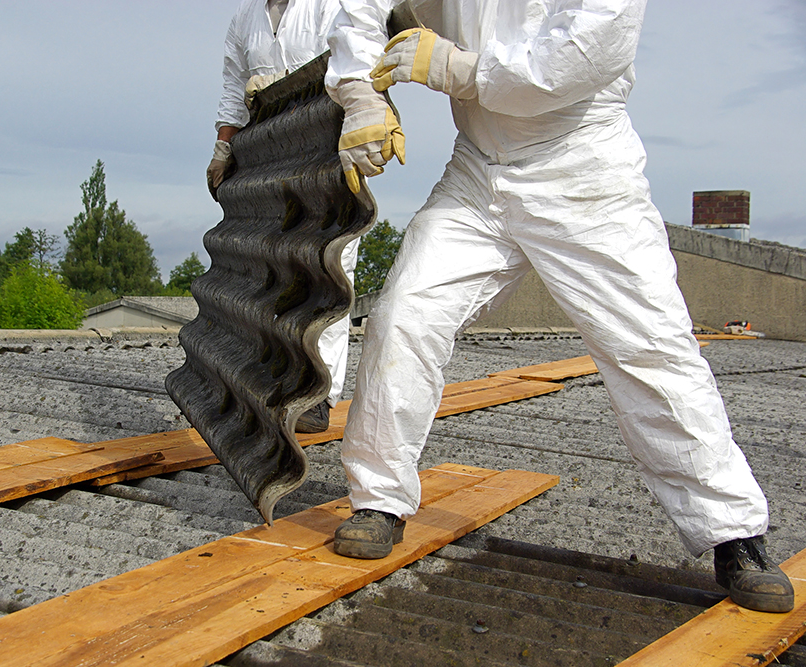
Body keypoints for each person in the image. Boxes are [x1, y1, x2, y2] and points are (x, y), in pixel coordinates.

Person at [323, 0, 795, 613]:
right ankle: (378, 499)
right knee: (403, 315)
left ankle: (733, 533)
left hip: (582, 170)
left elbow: (565, 65)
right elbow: (361, 6)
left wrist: (452, 68)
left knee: (649, 347)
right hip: (477, 172)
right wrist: (360, 92)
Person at [209, 0, 355, 433]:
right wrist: (223, 146)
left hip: (330, 145)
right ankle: (274, 379)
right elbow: (235, 87)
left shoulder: (332, 5)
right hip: (270, 153)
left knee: (329, 266)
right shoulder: (246, 18)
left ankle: (319, 393)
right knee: (273, 267)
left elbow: (358, 62)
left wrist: (290, 86)